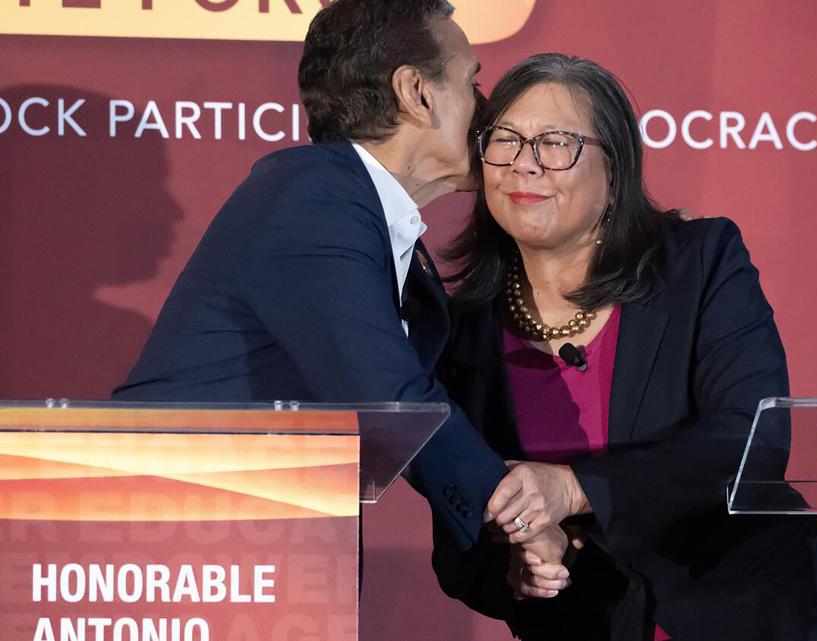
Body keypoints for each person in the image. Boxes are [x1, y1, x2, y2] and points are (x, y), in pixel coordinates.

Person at [111, 0, 574, 557]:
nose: (486, 110)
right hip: (174, 537)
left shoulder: (369, 220)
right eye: (472, 83)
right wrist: (519, 520)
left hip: (255, 537)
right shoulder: (315, 197)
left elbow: (415, 399)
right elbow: (385, 390)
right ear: (416, 93)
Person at [431, 54, 817, 640]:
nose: (524, 165)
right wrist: (516, 573)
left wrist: (575, 488)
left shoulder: (700, 261)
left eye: (556, 143)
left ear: (614, 171)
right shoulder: (461, 327)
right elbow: (459, 541)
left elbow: (753, 441)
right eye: (505, 141)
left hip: (746, 611)